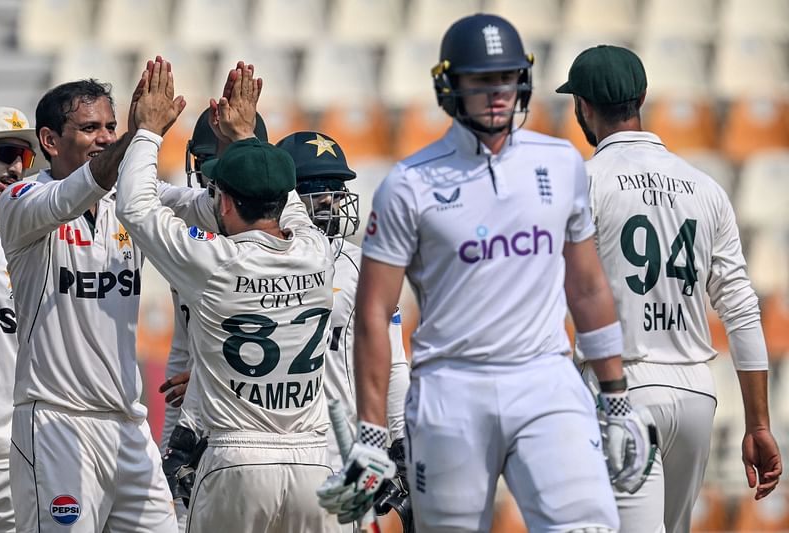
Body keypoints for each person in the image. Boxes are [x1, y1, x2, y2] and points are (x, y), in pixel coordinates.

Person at [318, 13, 655, 533]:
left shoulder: (561, 163)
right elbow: (373, 313)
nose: (497, 93)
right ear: (450, 86)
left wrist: (615, 397)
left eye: (506, 78)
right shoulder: (408, 184)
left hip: (544, 376)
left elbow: (587, 287)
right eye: (481, 81)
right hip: (451, 389)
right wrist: (372, 434)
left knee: (588, 527)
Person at [556, 44, 783, 533]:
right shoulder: (705, 187)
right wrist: (759, 424)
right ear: (641, 98)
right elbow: (742, 312)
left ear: (583, 108)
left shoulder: (584, 182)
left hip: (622, 389)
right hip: (698, 394)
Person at [0, 60, 220, 532]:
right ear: (50, 141)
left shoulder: (131, 198)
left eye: (112, 126)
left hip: (127, 424)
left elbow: (211, 209)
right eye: (90, 127)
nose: (105, 136)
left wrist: (238, 144)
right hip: (56, 423)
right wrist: (139, 137)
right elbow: (73, 194)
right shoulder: (21, 201)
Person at [116, 60, 338, 532]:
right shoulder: (317, 252)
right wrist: (245, 137)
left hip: (238, 457)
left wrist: (148, 132)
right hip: (315, 464)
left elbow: (134, 206)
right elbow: (286, 198)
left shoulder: (213, 263)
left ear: (224, 202)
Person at [276, 131, 412, 531]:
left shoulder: (362, 266)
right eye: (320, 190)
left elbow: (394, 363)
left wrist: (400, 442)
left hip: (336, 457)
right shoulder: (250, 255)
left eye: (338, 189)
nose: (333, 201)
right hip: (264, 447)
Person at [158, 106, 269, 532]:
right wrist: (171, 444)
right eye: (208, 162)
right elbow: (183, 349)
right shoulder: (190, 226)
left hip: (268, 433)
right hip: (204, 429)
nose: (213, 176)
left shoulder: (294, 242)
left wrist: (207, 375)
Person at [0, 106, 42, 532]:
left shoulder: (34, 235)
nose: (14, 166)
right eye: (4, 151)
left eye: (23, 158)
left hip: (17, 450)